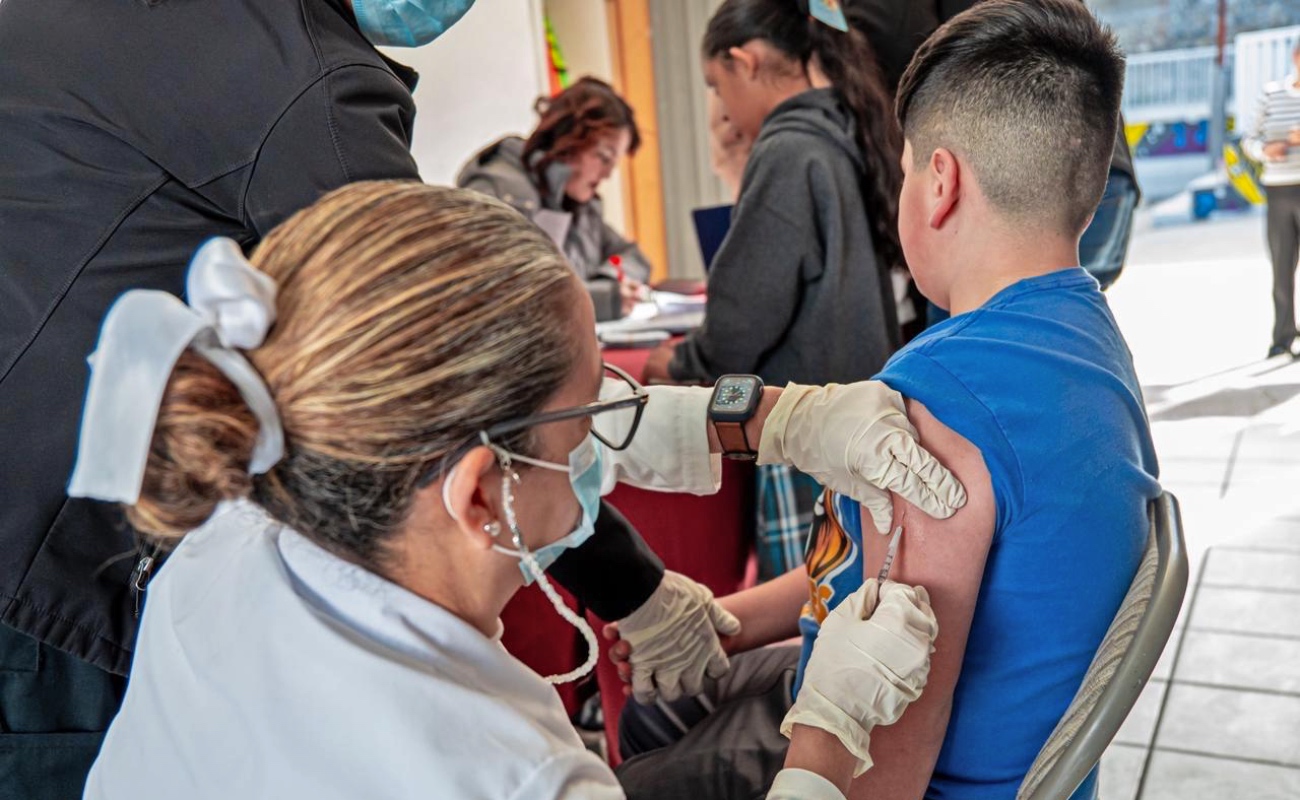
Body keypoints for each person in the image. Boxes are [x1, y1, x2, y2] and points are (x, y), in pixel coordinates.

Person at [0, 2, 751, 794]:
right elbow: (470, 365)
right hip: (48, 571)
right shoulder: (307, 81)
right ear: (481, 493)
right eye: (570, 450)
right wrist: (640, 590)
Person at [73, 181, 964, 799]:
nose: (599, 446)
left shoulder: (247, 505)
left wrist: (781, 419)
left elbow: (567, 419)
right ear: (474, 495)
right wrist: (828, 740)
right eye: (583, 429)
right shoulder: (506, 777)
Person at [615, 3, 1161, 799]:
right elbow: (857, 574)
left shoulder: (940, 399)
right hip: (1003, 752)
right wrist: (724, 619)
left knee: (639, 769)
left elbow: (881, 774)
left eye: (905, 167)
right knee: (664, 713)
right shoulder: (1085, 339)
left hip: (915, 775)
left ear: (938, 183)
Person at [642, 0, 906, 582]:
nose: (727, 114)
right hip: (853, 413)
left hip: (803, 427)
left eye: (717, 85)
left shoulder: (789, 150)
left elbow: (744, 315)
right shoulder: (843, 131)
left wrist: (681, 361)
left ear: (747, 61)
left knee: (810, 604)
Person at [458, 77, 651, 321]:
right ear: (569, 140)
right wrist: (601, 299)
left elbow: (630, 256)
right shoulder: (494, 191)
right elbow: (499, 295)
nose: (608, 175)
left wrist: (609, 279)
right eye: (603, 157)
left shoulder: (582, 207)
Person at [1243, 37, 1300, 359]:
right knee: (1282, 266)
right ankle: (1283, 337)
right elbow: (1249, 139)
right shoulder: (1271, 94)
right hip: (1278, 190)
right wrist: (1265, 150)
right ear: (1295, 56)